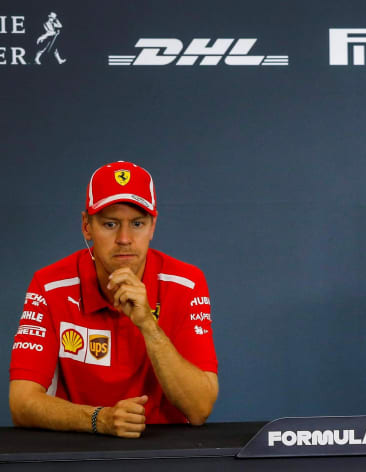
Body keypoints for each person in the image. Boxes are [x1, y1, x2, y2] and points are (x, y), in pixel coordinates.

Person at [9, 161, 218, 437]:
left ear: (153, 227)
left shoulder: (186, 283)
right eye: (110, 224)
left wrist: (148, 325)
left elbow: (199, 409)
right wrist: (101, 419)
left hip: (164, 451)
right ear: (86, 226)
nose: (124, 238)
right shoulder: (49, 286)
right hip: (77, 450)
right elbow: (21, 402)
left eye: (137, 224)